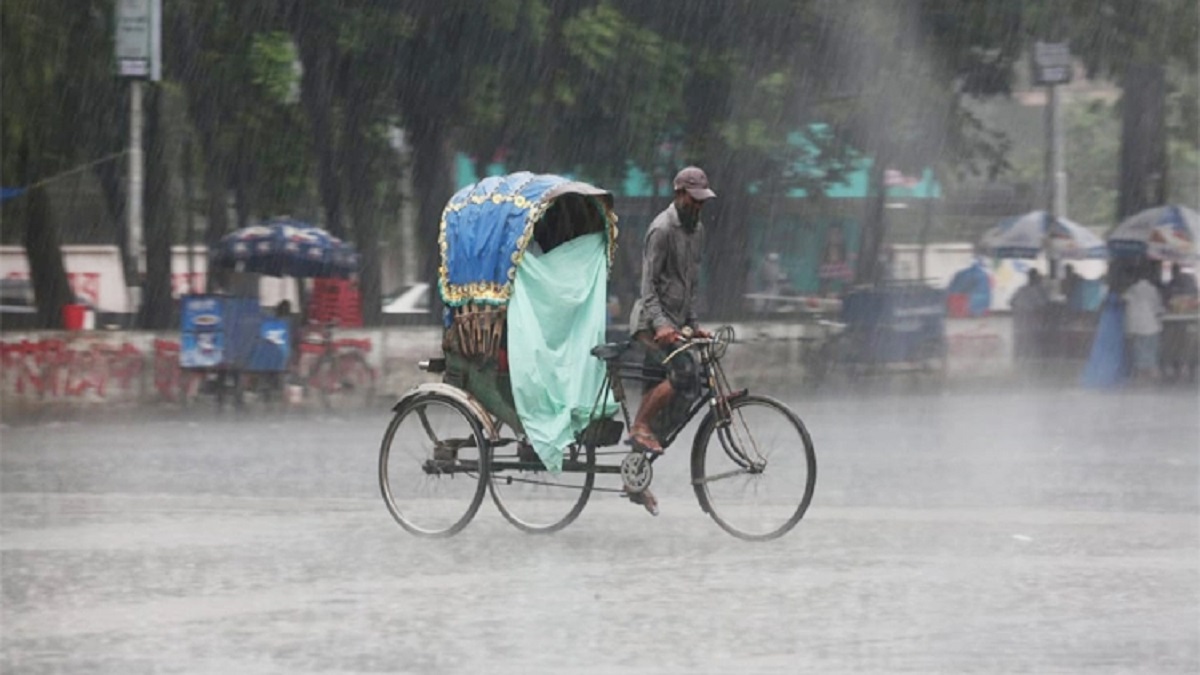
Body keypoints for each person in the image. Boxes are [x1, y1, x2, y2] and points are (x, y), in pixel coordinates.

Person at [627, 166, 716, 514]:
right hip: (652, 326)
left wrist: (694, 325)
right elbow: (648, 287)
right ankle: (640, 425)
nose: (698, 207)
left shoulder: (698, 232)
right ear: (680, 195)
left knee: (682, 394)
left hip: (677, 326)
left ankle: (635, 477)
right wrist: (663, 325)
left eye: (701, 201)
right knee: (682, 377)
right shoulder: (661, 230)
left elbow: (690, 285)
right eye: (693, 200)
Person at [1122, 265, 1165, 383]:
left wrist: (1128, 328)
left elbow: (1128, 310)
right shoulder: (1152, 289)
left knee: (1139, 353)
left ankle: (1140, 377)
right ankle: (1154, 377)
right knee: (1152, 352)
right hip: (1151, 326)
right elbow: (1157, 308)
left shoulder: (1131, 290)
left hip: (1137, 327)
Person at [1010, 268, 1049, 362]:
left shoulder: (1021, 289)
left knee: (1020, 341)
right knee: (1034, 340)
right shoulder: (1037, 291)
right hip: (1032, 320)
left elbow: (1011, 302)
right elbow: (1043, 306)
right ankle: (1035, 358)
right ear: (1036, 278)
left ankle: (1018, 357)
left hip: (1019, 320)